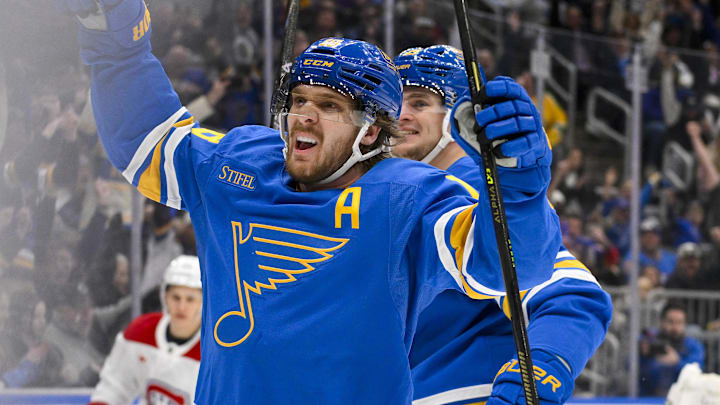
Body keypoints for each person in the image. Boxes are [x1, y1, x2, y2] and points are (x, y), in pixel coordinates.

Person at [58, 1, 609, 403]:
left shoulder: (418, 195)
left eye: (328, 105)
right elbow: (147, 140)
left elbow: (516, 271)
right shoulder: (241, 165)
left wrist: (518, 189)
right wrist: (119, 48)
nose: (304, 115)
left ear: (374, 131)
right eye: (299, 100)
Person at [393, 46, 611, 404]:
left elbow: (573, 297)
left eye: (419, 103)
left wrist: (540, 370)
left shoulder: (475, 189)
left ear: (458, 113)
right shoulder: (398, 190)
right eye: (394, 103)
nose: (401, 115)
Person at [89, 255, 202, 405]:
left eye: (190, 299)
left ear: (203, 301)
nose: (182, 307)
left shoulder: (216, 353)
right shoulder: (141, 332)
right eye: (176, 297)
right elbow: (115, 387)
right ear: (165, 296)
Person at [639, 302, 704, 397]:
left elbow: (696, 371)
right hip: (648, 398)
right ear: (661, 321)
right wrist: (643, 355)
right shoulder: (650, 340)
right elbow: (630, 367)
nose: (675, 327)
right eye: (670, 321)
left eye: (679, 322)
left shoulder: (693, 345)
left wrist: (677, 362)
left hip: (682, 399)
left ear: (685, 324)